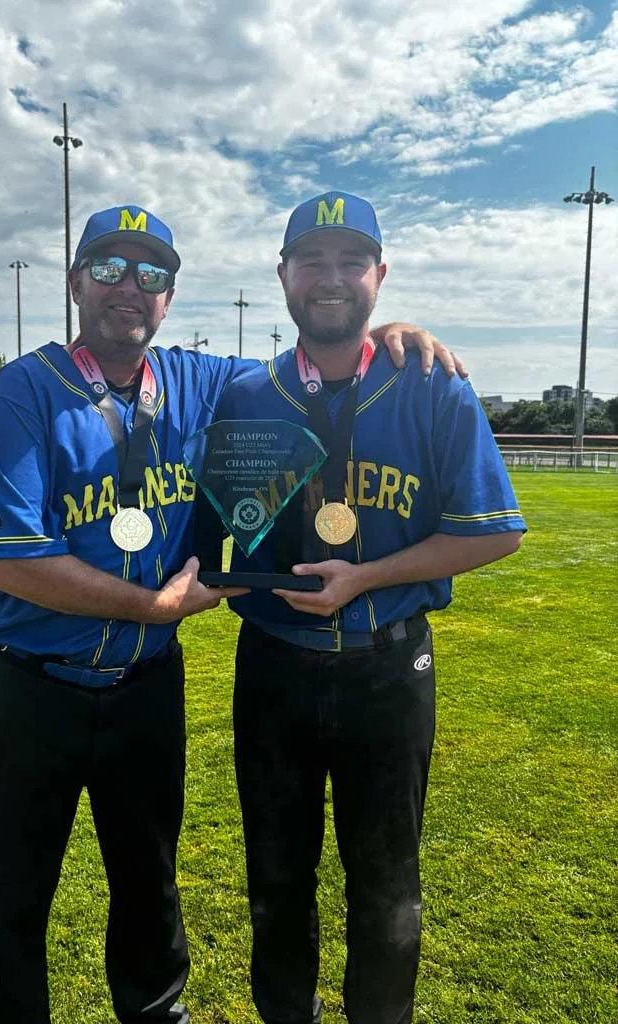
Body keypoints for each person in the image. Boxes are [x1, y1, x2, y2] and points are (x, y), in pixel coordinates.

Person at [0, 201, 464, 1024]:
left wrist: (390, 329)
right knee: (11, 899)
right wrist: (153, 605)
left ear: (169, 296)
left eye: (153, 274)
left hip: (147, 689)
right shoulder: (26, 391)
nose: (132, 287)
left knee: (150, 888)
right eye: (112, 269)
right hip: (33, 687)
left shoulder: (199, 380)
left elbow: (319, 354)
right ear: (77, 281)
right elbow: (11, 561)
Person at [214, 191, 526, 1024]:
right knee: (275, 878)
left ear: (380, 277)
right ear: (281, 276)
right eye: (311, 259)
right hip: (274, 667)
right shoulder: (245, 394)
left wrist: (367, 576)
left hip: (389, 667)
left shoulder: (434, 385)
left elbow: (494, 535)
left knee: (387, 884)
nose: (331, 277)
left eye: (352, 260)